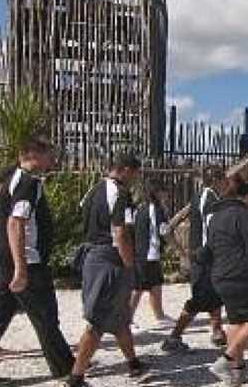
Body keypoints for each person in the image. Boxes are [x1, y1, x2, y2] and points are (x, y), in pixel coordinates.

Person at [0, 138, 75, 385]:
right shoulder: (27, 183)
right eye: (49, 155)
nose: (52, 160)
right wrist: (21, 269)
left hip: (3, 260)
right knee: (45, 316)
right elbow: (16, 223)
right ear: (34, 155)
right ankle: (67, 370)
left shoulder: (14, 180)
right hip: (25, 262)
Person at [65, 152, 146, 387]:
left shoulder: (93, 190)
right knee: (98, 320)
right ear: (126, 170)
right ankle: (76, 377)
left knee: (120, 316)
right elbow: (120, 232)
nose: (135, 178)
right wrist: (130, 265)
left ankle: (133, 363)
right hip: (109, 259)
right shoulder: (120, 193)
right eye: (135, 173)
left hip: (92, 255)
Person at [207, 177, 248, 387]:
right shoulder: (244, 216)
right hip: (242, 276)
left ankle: (237, 372)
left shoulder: (215, 217)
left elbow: (210, 247)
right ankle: (226, 360)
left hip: (220, 275)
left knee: (236, 321)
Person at [162, 165, 228, 353]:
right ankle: (174, 337)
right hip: (205, 257)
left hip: (202, 255)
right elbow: (211, 229)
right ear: (216, 179)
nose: (225, 182)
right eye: (223, 178)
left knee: (215, 295)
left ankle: (217, 331)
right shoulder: (210, 199)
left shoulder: (199, 196)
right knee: (198, 299)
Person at [129, 179, 174, 329]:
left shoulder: (140, 208)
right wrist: (178, 249)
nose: (166, 194)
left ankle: (159, 315)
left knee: (155, 284)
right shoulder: (156, 210)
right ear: (156, 193)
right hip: (147, 253)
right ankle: (127, 319)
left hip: (144, 253)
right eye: (163, 191)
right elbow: (164, 232)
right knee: (138, 288)